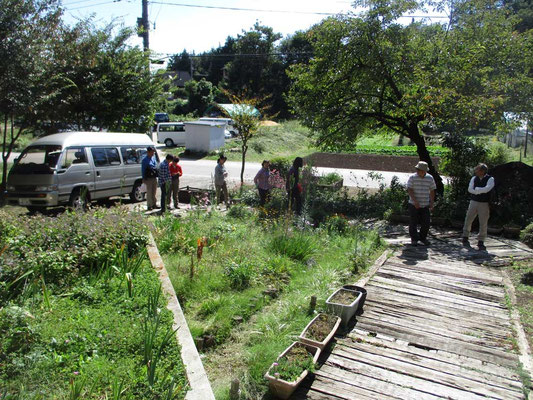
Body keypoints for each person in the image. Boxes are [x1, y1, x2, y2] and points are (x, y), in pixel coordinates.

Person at [462, 163, 495, 250]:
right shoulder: (474, 178)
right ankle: (465, 236)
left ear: (482, 171)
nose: (476, 171)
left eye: (477, 169)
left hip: (484, 203)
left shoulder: (490, 179)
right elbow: (470, 189)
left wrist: (477, 190)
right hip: (473, 201)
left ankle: (481, 240)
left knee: (483, 222)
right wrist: (479, 191)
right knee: (468, 218)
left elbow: (488, 188)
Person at [407, 161, 436, 246]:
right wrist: (415, 201)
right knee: (413, 222)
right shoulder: (412, 177)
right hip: (413, 204)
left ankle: (423, 238)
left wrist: (432, 202)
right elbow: (410, 189)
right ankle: (414, 239)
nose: (419, 172)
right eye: (418, 170)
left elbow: (432, 190)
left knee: (426, 222)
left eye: (421, 170)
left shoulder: (430, 178)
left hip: (425, 204)